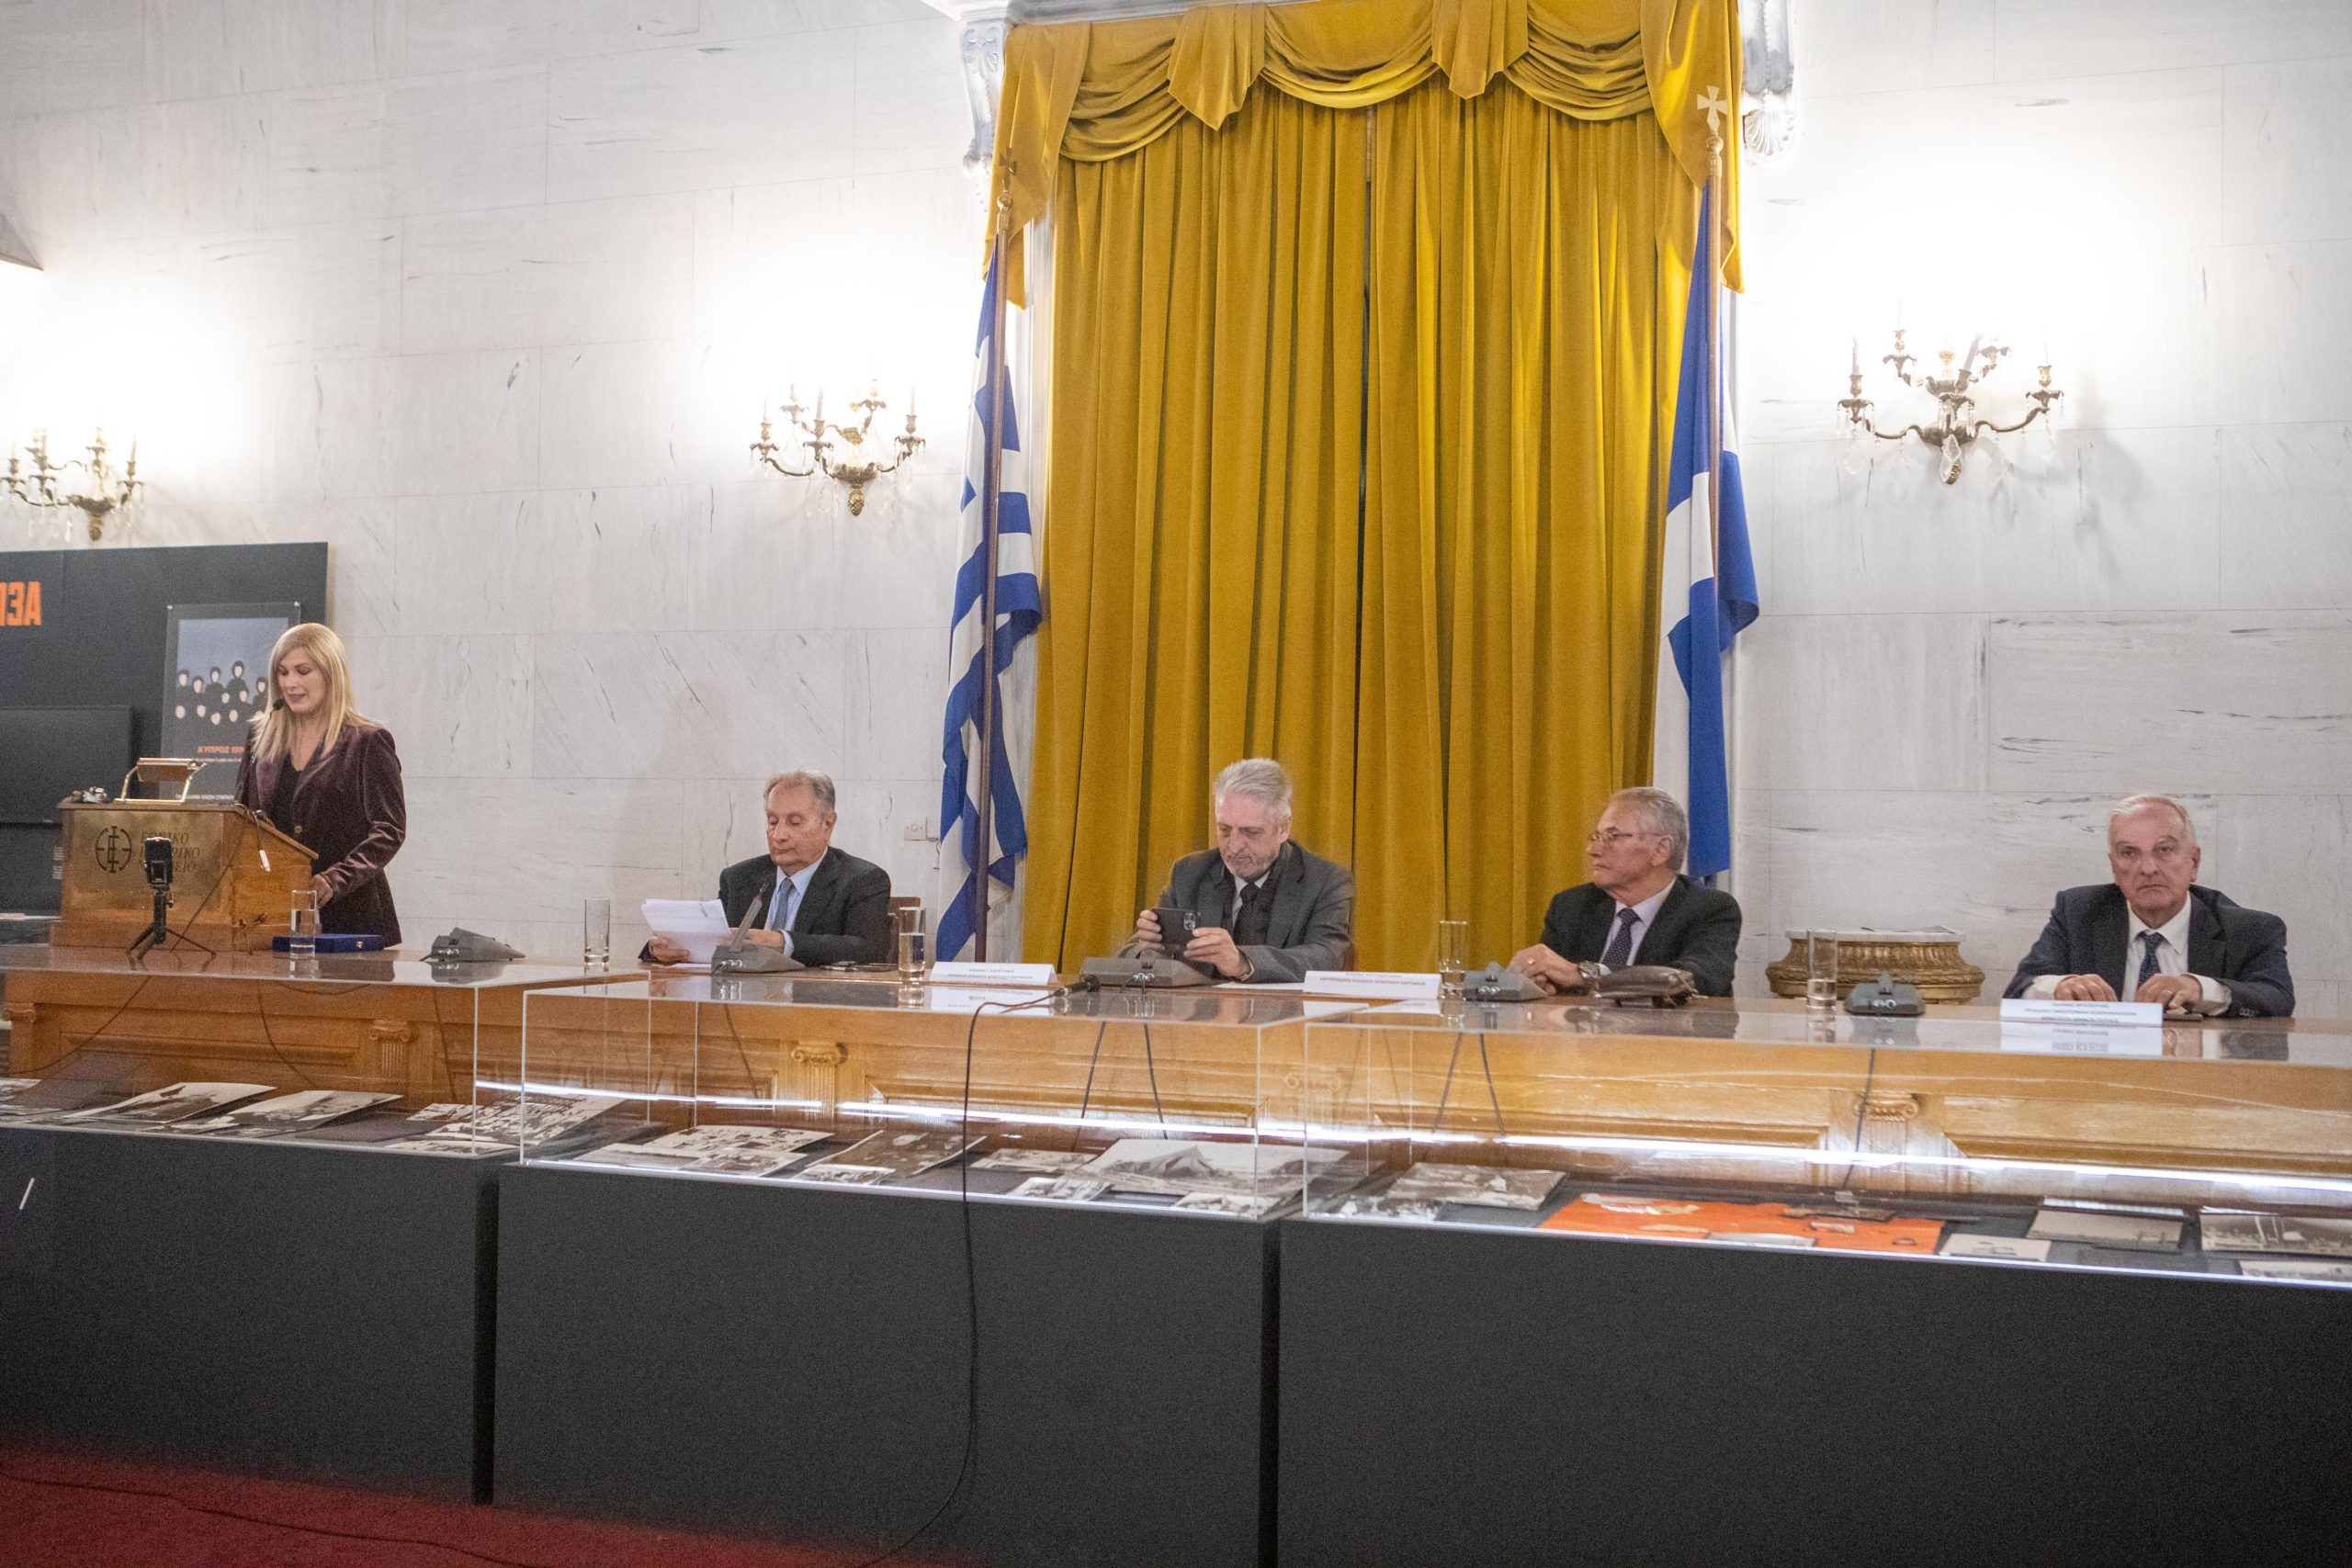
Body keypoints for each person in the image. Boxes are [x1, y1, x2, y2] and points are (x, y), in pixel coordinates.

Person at [2006, 795, 2293, 1018]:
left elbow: (2277, 998)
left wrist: (2197, 988)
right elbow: (2018, 991)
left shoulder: (2249, 929)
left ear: (2193, 863)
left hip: (2201, 1073)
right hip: (2101, 1070)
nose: (2147, 868)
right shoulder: (2078, 913)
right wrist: (2060, 987)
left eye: (2164, 850)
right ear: (2114, 867)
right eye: (2129, 853)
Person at [234, 623, 406, 944]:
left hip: (351, 919)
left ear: (331, 674)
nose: (290, 683)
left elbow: (389, 830)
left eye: (303, 671)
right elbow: (240, 818)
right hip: (270, 916)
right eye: (283, 673)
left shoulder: (367, 742)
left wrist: (335, 880)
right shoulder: (260, 736)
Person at [1128, 758, 1353, 984]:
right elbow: (1128, 954)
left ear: (1283, 828)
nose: (1234, 847)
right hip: (1201, 1007)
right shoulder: (1188, 873)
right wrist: (1152, 950)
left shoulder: (1326, 881)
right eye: (1224, 830)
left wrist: (1242, 962)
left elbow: (1328, 958)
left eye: (1251, 832)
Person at [1509, 787, 1740, 997]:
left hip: (1663, 1031)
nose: (1592, 850)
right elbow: (1553, 982)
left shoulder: (1710, 909)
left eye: (1612, 837)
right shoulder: (1571, 906)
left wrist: (1588, 976)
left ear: (1660, 850)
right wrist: (1539, 981)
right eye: (1596, 837)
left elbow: (1695, 979)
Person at [646, 771, 892, 966]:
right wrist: (661, 948)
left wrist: (781, 941)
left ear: (828, 824)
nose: (778, 835)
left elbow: (868, 950)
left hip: (816, 1006)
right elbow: (710, 937)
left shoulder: (862, 880)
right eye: (773, 821)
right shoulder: (740, 878)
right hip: (743, 1004)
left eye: (794, 822)